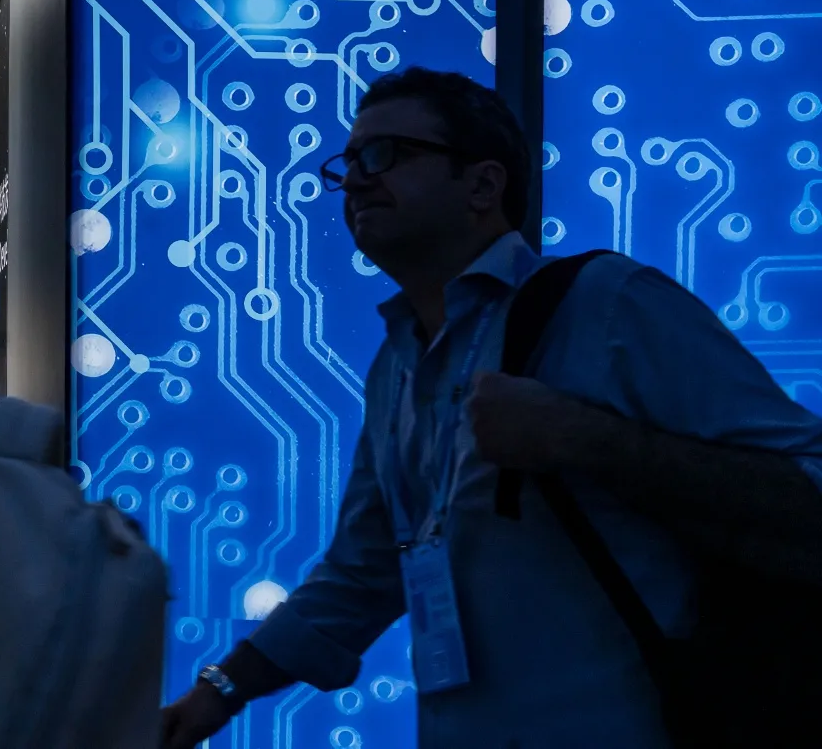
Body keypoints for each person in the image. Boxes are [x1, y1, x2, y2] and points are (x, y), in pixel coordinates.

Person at [160, 67, 822, 748]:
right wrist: (219, 691)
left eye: (387, 155)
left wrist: (586, 439)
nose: (356, 180)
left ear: (482, 185)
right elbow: (363, 572)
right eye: (350, 162)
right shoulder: (396, 365)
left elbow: (810, 494)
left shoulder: (607, 304)